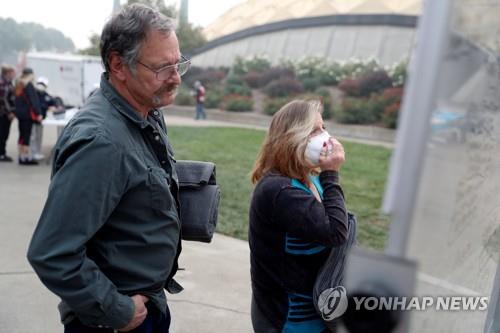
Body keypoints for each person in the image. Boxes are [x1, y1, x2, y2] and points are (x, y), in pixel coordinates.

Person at [27, 4, 191, 332]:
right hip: (117, 320)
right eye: (162, 68)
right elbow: (52, 253)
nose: (175, 78)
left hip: (146, 303)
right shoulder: (101, 142)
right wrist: (118, 311)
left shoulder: (145, 111)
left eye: (178, 64)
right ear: (118, 65)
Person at [249, 100, 348, 333]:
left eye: (323, 127)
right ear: (292, 138)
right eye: (314, 130)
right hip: (290, 320)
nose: (325, 136)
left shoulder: (307, 179)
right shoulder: (280, 191)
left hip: (316, 311)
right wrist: (331, 174)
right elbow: (335, 232)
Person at [14, 67, 42, 165]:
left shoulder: (18, 84)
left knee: (21, 136)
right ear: (30, 75)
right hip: (27, 114)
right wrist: (38, 113)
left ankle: (21, 157)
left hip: (20, 114)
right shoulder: (28, 85)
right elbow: (33, 100)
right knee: (26, 136)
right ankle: (25, 158)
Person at [30, 76, 56, 161]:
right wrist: (45, 108)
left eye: (43, 84)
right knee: (33, 136)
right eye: (40, 84)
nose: (41, 86)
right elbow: (35, 105)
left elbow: (52, 102)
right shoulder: (34, 94)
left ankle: (38, 151)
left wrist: (52, 106)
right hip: (34, 118)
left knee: (39, 136)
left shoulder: (46, 95)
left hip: (42, 120)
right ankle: (33, 153)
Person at [0, 65, 16, 162]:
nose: (14, 74)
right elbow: (3, 100)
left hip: (6, 114)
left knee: (5, 134)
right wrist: (10, 112)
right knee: (2, 134)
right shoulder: (3, 84)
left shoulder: (9, 83)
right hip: (3, 114)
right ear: (7, 73)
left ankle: (2, 152)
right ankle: (1, 154)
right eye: (12, 73)